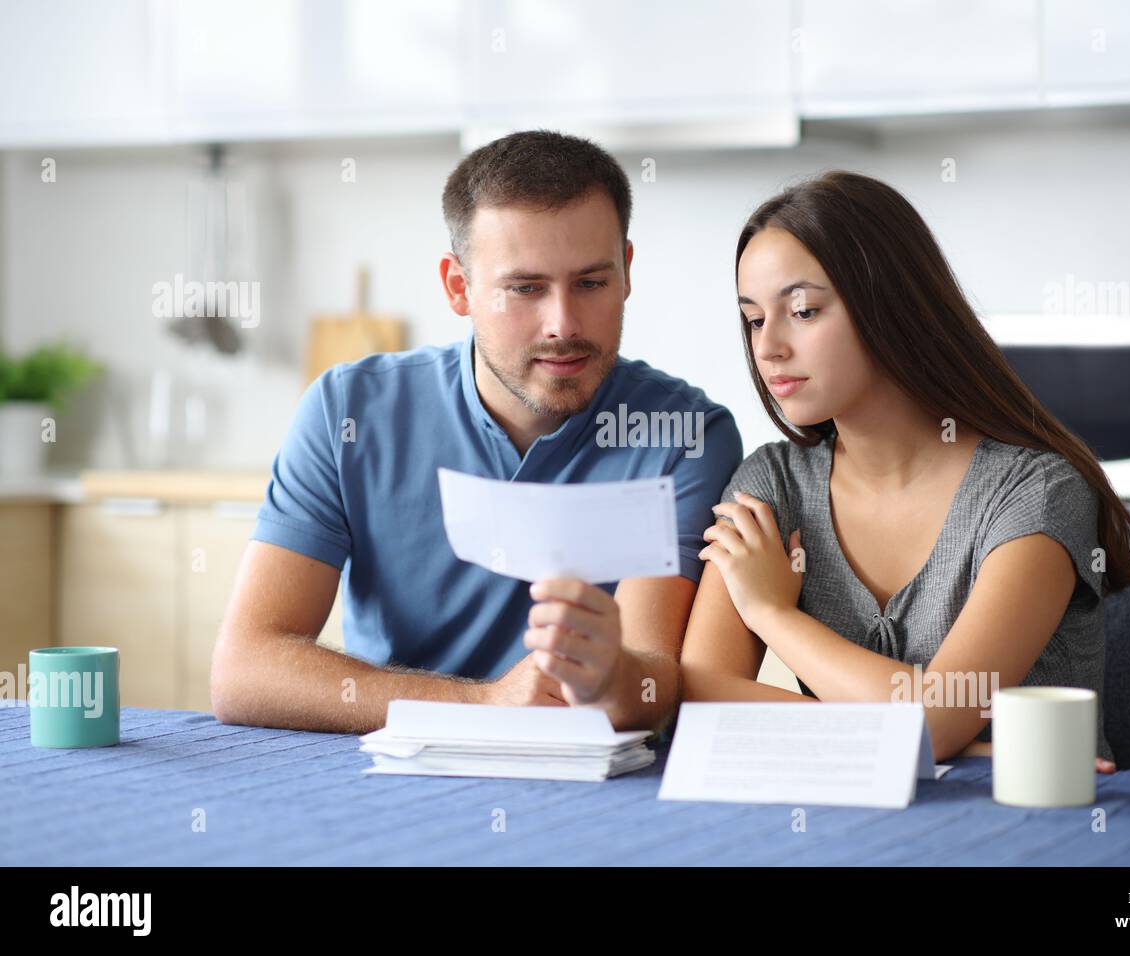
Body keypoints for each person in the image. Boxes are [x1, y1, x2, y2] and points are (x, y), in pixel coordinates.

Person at [211, 130, 741, 735]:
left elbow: (656, 681)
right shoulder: (348, 412)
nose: (562, 324)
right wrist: (483, 707)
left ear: (626, 272)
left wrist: (606, 676)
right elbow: (245, 671)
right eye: (525, 289)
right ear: (458, 287)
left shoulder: (683, 436)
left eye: (591, 283)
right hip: (391, 782)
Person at [679, 170, 1130, 770]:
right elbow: (700, 700)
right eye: (753, 319)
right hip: (856, 821)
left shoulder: (1035, 493)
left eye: (802, 310)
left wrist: (771, 613)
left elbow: (932, 721)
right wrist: (948, 745)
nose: (769, 345)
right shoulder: (771, 484)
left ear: (891, 303)